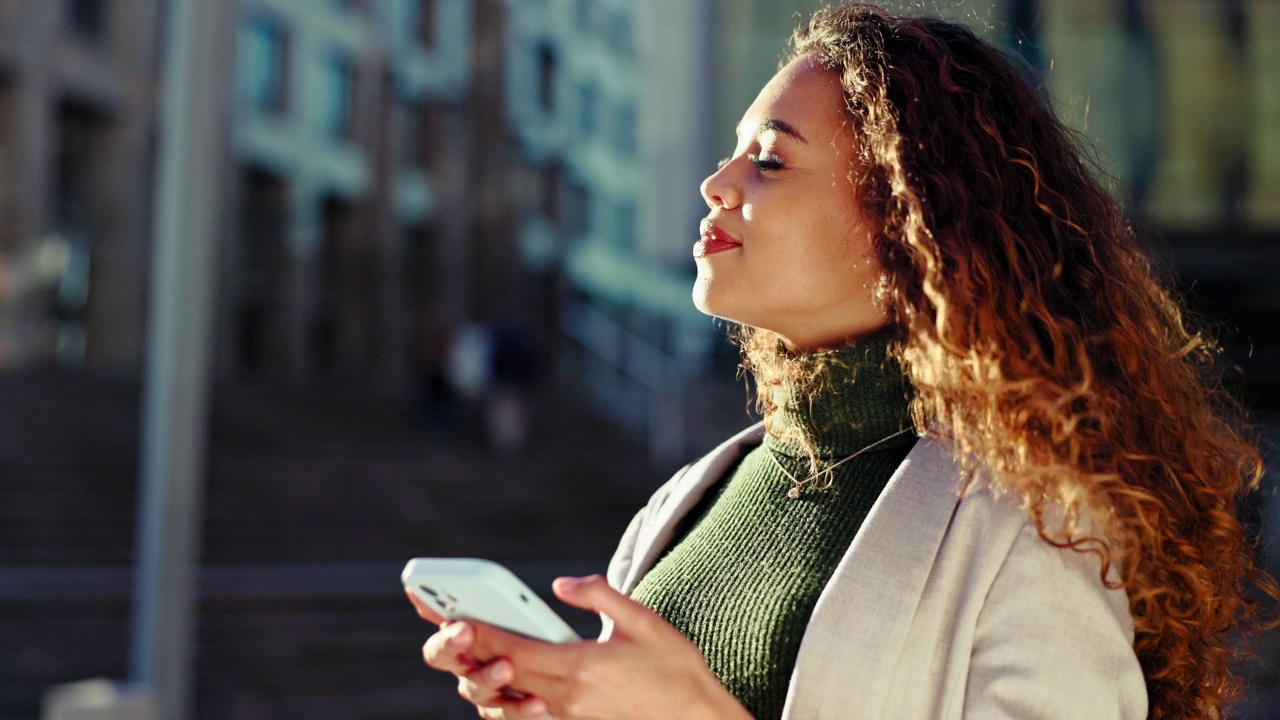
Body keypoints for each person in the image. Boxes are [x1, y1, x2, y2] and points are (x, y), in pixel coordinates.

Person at [410, 4, 1276, 718]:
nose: (718, 181)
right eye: (735, 149)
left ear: (910, 223)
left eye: (772, 160)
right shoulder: (697, 495)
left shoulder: (1035, 526)